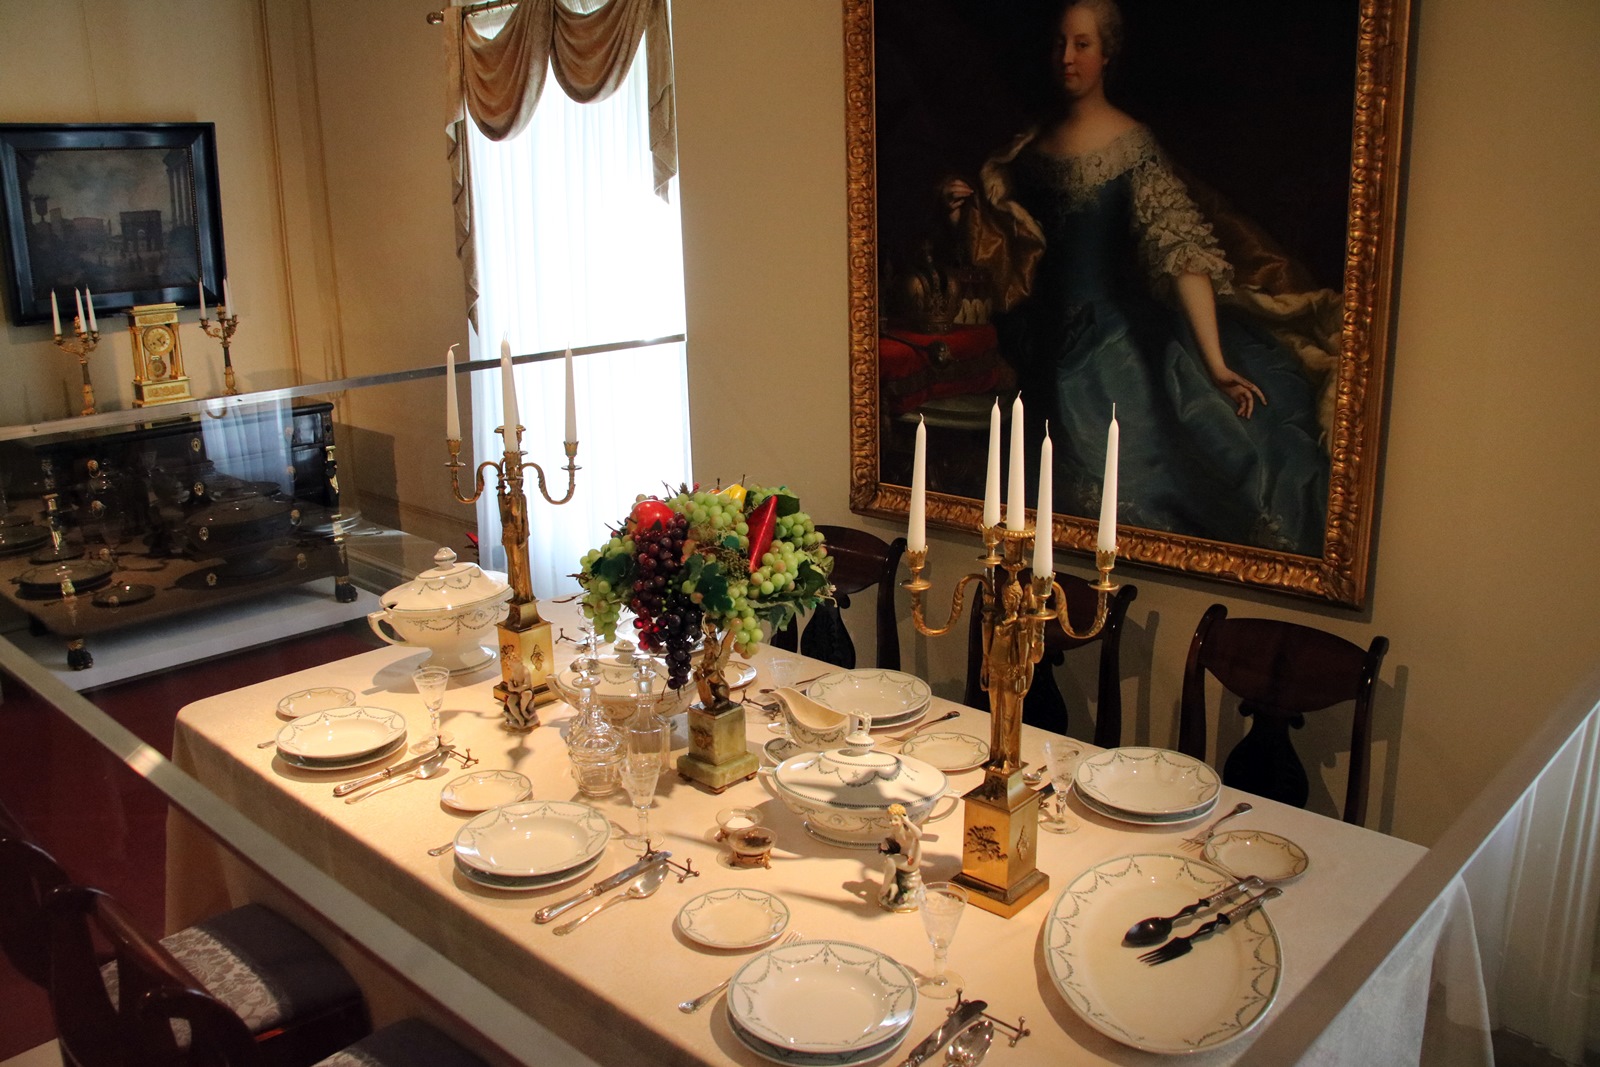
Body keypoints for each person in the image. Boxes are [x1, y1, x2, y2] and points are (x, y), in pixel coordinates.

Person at [944, 0, 1332, 556]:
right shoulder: (1027, 145)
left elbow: (1182, 253)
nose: (1067, 57)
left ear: (1107, 54)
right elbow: (1008, 246)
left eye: (1082, 45)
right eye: (1059, 43)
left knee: (1125, 486)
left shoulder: (1130, 144)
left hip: (1110, 348)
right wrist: (963, 211)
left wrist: (1216, 365)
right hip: (1035, 338)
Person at [877, 803, 924, 912]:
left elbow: (919, 835)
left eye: (895, 819)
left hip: (911, 861)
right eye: (890, 820)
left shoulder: (908, 831)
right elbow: (890, 839)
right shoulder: (894, 831)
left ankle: (885, 887)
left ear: (902, 819)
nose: (892, 823)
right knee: (886, 862)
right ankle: (893, 884)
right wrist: (884, 843)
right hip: (902, 858)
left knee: (890, 860)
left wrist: (907, 821)